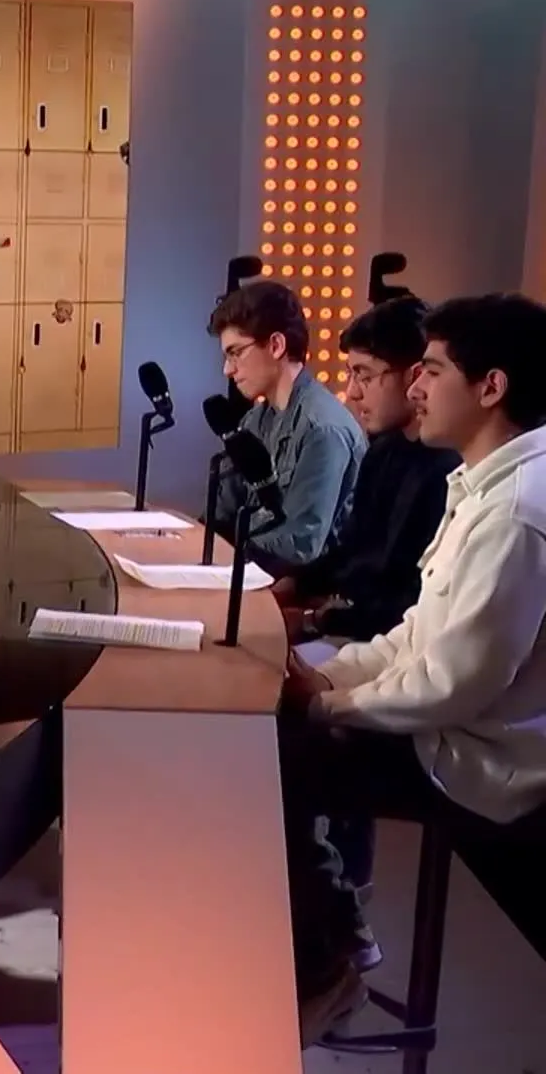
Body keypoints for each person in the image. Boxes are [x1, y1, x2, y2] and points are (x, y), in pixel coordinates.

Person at [282, 293, 546, 1043]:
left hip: (477, 759)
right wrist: (330, 677)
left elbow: (451, 684)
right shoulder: (481, 483)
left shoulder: (517, 512)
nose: (416, 385)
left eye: (431, 369)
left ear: (491, 387)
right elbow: (415, 636)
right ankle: (328, 945)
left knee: (274, 754)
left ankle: (327, 962)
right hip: (449, 724)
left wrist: (322, 705)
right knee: (271, 728)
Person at [277, 296, 459, 650]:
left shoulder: (446, 471)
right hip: (347, 621)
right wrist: (295, 585)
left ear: (414, 376)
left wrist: (315, 620)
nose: (351, 393)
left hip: (387, 643)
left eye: (364, 375)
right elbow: (351, 547)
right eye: (351, 375)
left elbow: (410, 601)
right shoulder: (383, 450)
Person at [208, 281, 369, 571]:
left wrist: (233, 550)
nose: (228, 369)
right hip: (246, 569)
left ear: (276, 345)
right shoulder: (253, 421)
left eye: (235, 353)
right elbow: (224, 513)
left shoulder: (322, 429)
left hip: (293, 584)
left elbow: (299, 544)